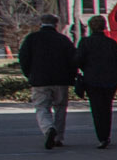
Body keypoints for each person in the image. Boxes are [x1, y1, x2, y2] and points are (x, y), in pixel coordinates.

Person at [17, 14, 78, 149]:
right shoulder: (63, 40)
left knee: (42, 107)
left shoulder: (32, 39)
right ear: (56, 24)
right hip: (61, 80)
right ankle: (58, 137)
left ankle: (48, 128)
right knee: (60, 108)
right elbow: (73, 60)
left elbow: (23, 58)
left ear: (41, 23)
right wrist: (72, 76)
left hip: (40, 80)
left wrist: (30, 75)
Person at [74, 20, 117, 149]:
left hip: (92, 80)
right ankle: (106, 135)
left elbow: (77, 60)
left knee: (97, 109)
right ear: (104, 26)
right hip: (110, 80)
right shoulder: (111, 43)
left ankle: (102, 136)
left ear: (90, 27)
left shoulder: (85, 42)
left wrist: (84, 69)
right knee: (107, 108)